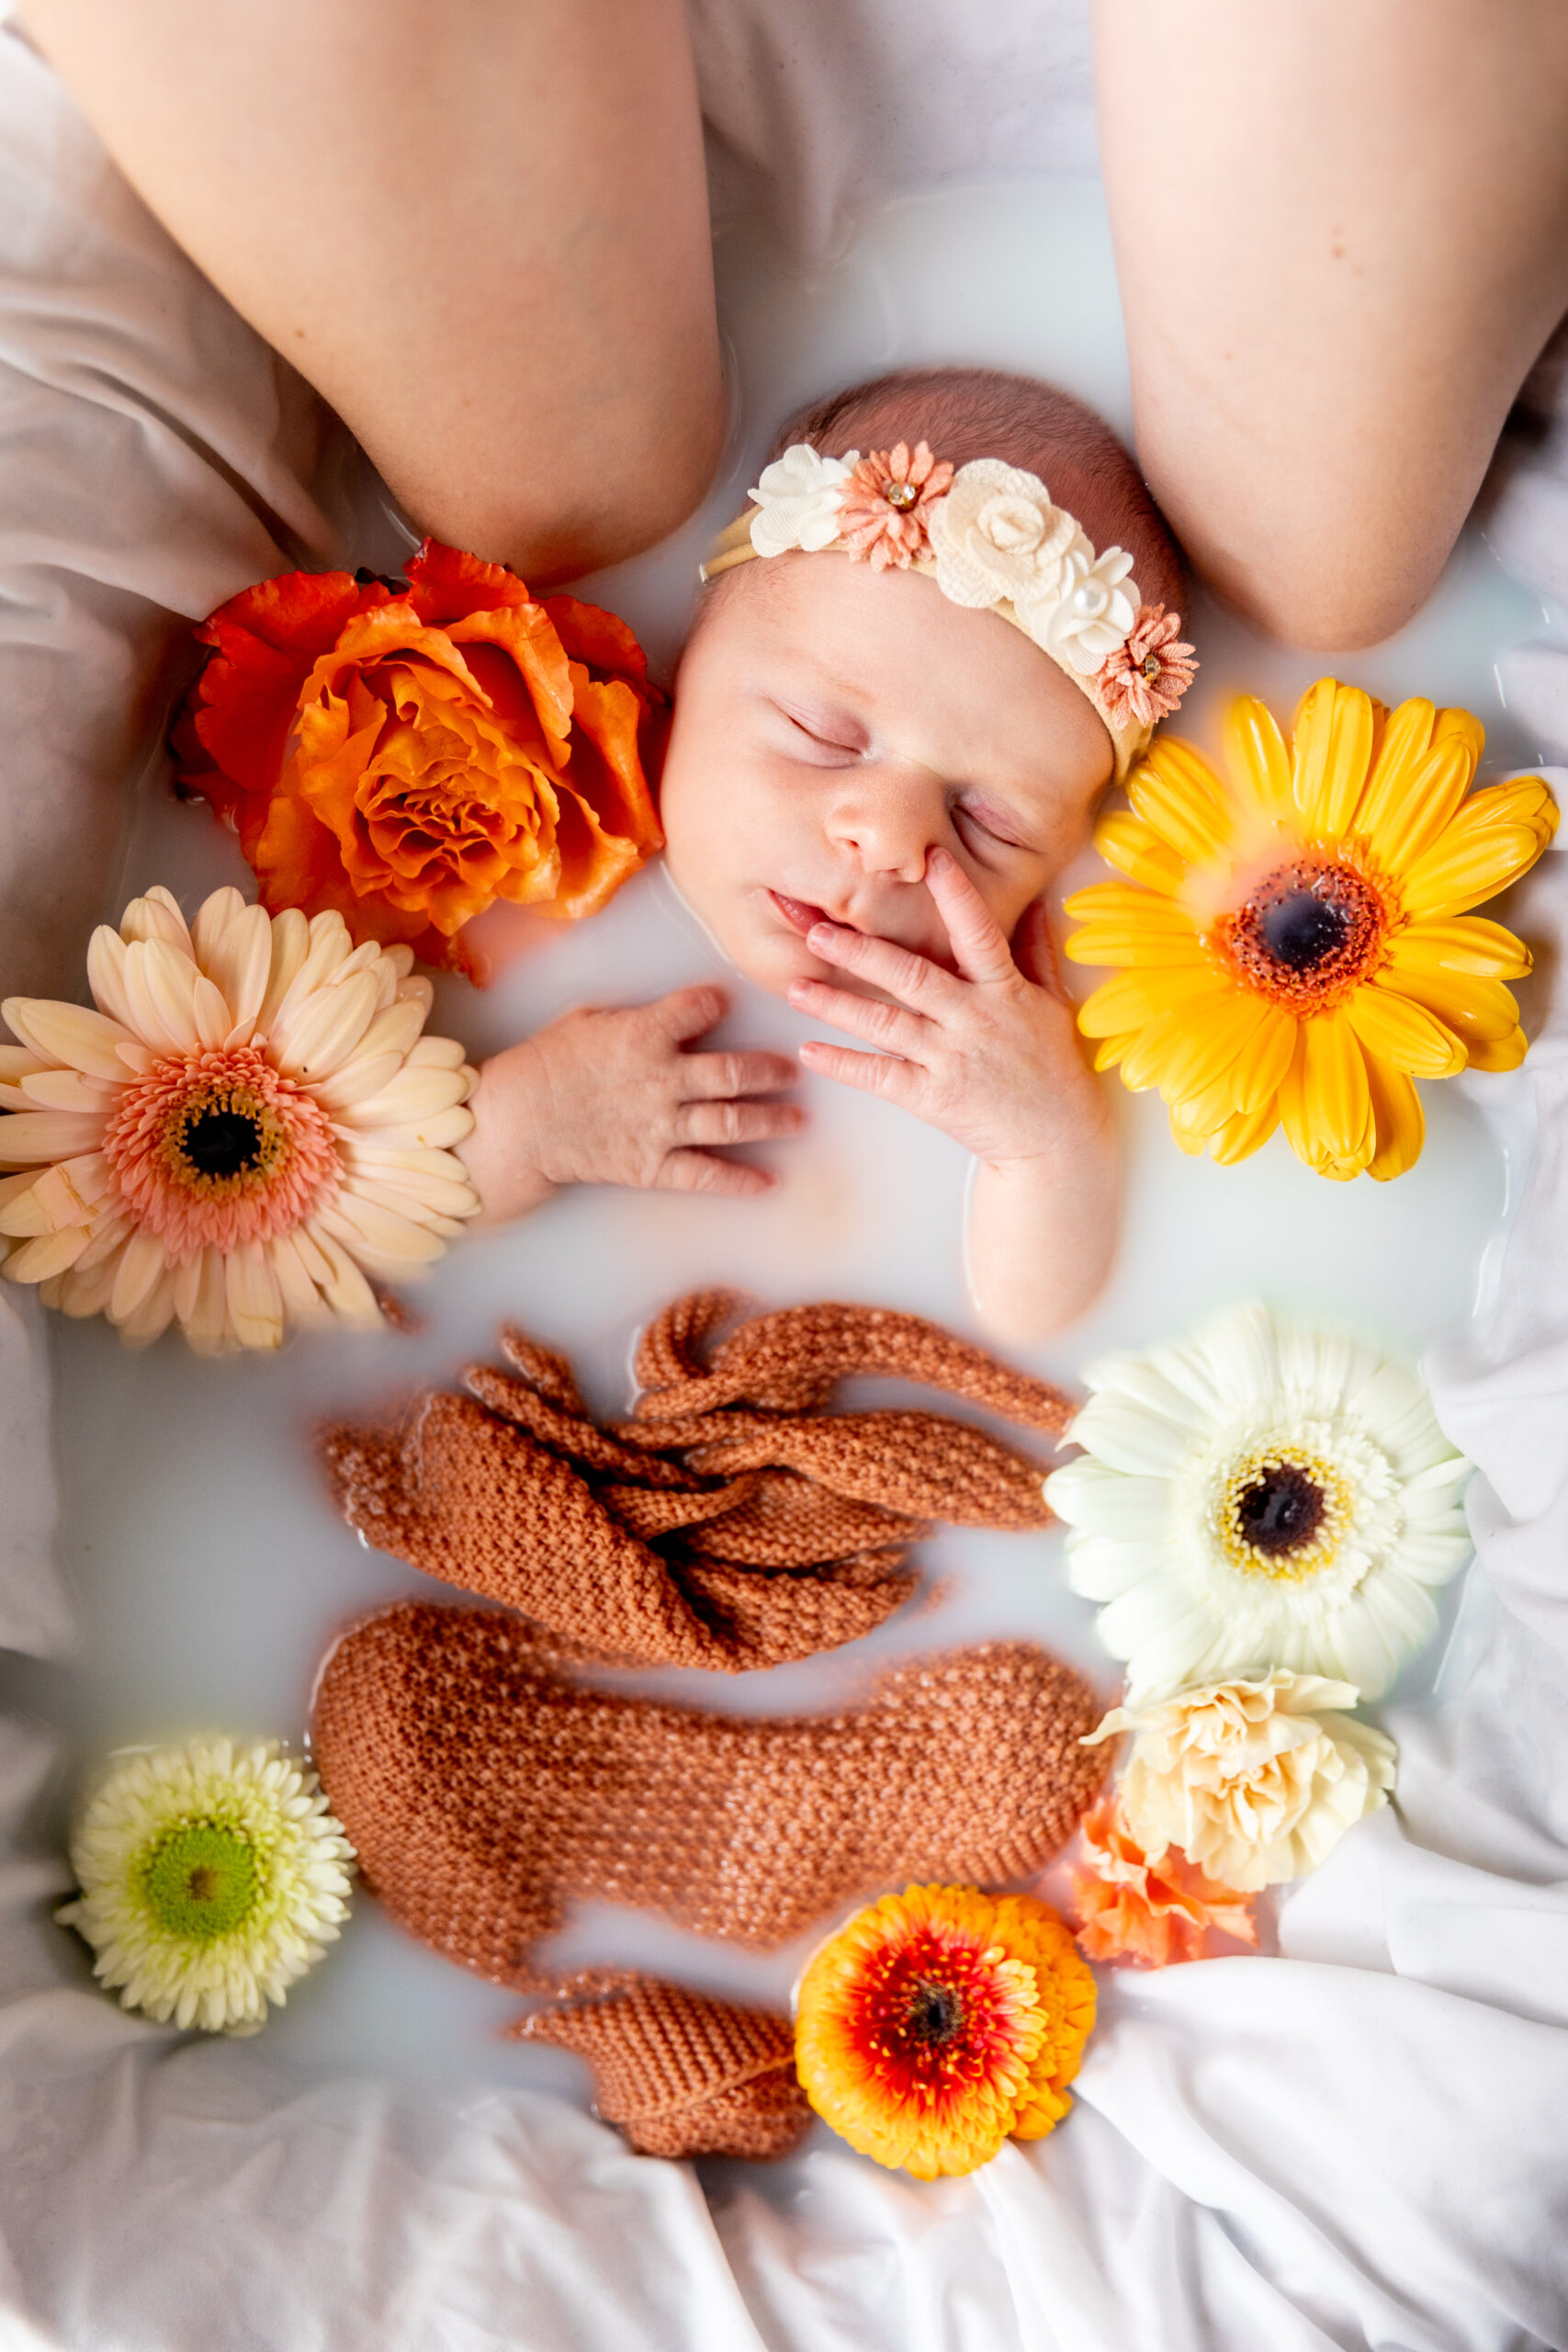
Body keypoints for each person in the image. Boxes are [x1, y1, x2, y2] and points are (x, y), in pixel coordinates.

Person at [459, 368, 1193, 1339]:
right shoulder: (519, 873)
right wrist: (517, 1129)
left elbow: (1035, 1321)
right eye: (822, 734)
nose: (889, 839)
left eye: (990, 827)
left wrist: (1046, 1141)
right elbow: (319, 1218)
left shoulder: (992, 1053)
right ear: (680, 666)